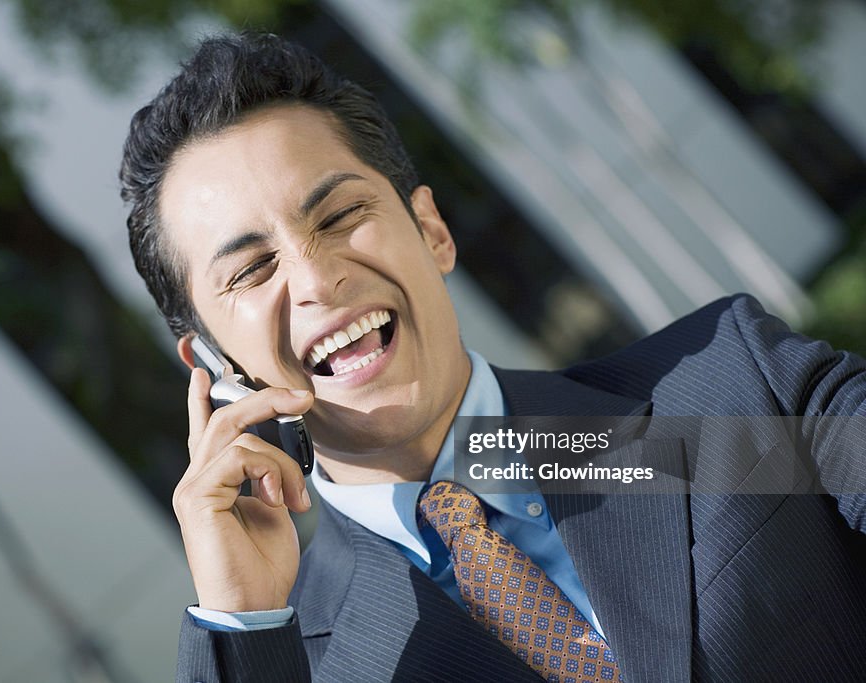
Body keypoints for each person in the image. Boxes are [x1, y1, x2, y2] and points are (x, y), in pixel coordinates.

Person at [119, 32, 866, 683]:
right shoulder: (296, 660)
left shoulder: (733, 386)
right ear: (214, 364)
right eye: (252, 269)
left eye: (341, 215)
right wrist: (242, 628)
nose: (317, 279)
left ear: (432, 231)